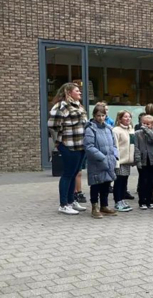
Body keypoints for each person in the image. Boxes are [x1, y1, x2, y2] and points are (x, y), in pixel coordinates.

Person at [47, 83, 88, 215]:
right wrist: (58, 142)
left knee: (75, 173)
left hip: (80, 145)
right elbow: (52, 125)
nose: (80, 93)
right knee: (68, 174)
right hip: (69, 145)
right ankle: (63, 204)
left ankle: (71, 201)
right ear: (69, 92)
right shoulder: (61, 106)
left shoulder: (78, 105)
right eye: (77, 91)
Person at [83, 102, 118, 219]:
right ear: (94, 116)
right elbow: (89, 146)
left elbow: (114, 144)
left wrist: (114, 156)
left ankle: (104, 205)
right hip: (97, 162)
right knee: (96, 184)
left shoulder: (109, 128)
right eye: (98, 115)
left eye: (103, 115)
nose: (101, 118)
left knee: (106, 184)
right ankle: (95, 206)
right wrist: (101, 157)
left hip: (109, 161)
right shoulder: (90, 129)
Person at [112, 110, 136, 213]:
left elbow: (132, 145)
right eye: (125, 117)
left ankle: (122, 200)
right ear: (120, 118)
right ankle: (117, 201)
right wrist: (116, 161)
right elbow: (115, 146)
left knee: (124, 181)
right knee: (119, 181)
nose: (128, 119)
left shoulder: (131, 129)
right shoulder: (116, 130)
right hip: (120, 161)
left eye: (129, 117)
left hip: (127, 161)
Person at [134, 114, 153, 210]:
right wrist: (138, 160)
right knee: (142, 181)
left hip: (152, 160)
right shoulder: (137, 133)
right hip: (142, 160)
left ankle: (150, 201)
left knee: (150, 181)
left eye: (148, 124)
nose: (145, 125)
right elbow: (136, 147)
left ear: (152, 124)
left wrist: (148, 131)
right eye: (144, 123)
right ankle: (142, 201)